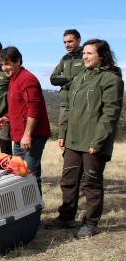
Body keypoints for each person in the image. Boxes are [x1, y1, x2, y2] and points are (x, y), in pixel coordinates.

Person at [45, 39, 123, 238]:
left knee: (91, 182)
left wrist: (98, 141)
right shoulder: (80, 77)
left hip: (93, 141)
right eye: (84, 53)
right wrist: (63, 133)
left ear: (102, 55)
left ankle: (91, 222)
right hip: (73, 139)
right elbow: (69, 108)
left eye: (89, 53)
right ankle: (66, 217)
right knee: (68, 180)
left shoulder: (111, 79)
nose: (85, 57)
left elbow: (110, 114)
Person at [0, 46, 50, 193]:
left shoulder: (27, 79)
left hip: (32, 136)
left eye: (7, 63)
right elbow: (18, 109)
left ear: (18, 61)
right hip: (19, 136)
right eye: (2, 65)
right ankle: (23, 210)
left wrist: (27, 134)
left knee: (30, 175)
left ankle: (34, 211)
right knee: (19, 174)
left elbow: (33, 109)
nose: (4, 68)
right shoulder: (14, 79)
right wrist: (5, 118)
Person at [50, 29, 84, 125]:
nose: (66, 45)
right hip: (65, 103)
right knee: (63, 136)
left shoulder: (85, 56)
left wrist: (63, 81)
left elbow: (83, 79)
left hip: (81, 103)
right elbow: (53, 79)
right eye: (64, 42)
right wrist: (71, 78)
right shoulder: (64, 59)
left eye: (70, 41)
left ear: (79, 40)